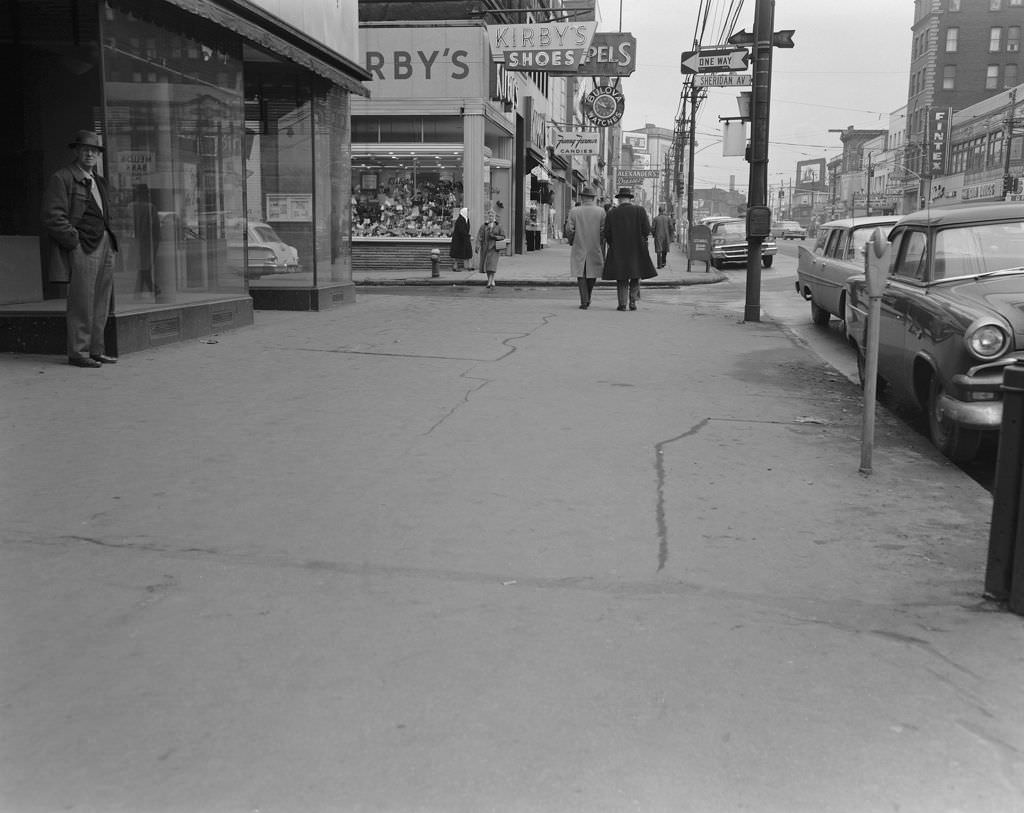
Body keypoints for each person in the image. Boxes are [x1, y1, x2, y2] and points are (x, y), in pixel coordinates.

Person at [42, 130, 120, 367]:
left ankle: (96, 350)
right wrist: (74, 241)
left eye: (94, 151)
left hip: (104, 242)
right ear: (76, 151)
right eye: (85, 150)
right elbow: (53, 216)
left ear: (98, 155)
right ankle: (79, 352)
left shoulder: (98, 180)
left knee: (101, 300)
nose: (90, 154)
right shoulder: (63, 177)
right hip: (83, 245)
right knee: (82, 300)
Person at [602, 186, 657, 311]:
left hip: (618, 249)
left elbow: (607, 233)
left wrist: (613, 243)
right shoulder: (640, 211)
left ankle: (622, 304)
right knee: (635, 275)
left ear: (620, 199)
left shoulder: (612, 213)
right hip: (636, 249)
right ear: (630, 199)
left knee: (621, 277)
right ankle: (633, 302)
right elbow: (647, 230)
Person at [564, 186, 605, 309]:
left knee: (581, 274)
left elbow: (569, 229)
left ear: (582, 197)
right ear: (593, 198)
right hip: (595, 245)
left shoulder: (574, 211)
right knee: (593, 273)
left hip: (579, 244)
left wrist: (572, 240)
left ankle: (584, 300)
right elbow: (604, 229)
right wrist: (600, 241)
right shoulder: (601, 211)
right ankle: (587, 298)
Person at [131, 184, 160, 296]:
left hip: (135, 241)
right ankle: (151, 288)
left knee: (143, 266)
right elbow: (155, 226)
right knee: (145, 266)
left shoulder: (130, 206)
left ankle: (141, 291)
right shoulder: (150, 207)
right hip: (147, 241)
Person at [476, 209, 505, 289]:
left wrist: (495, 236)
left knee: (492, 265)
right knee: (487, 266)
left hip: (494, 248)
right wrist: (477, 245)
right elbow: (480, 236)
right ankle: (490, 279)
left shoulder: (498, 226)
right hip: (485, 248)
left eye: (492, 216)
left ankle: (489, 282)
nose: (490, 217)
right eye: (489, 216)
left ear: (494, 216)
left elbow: (503, 236)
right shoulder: (484, 225)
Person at [449, 207, 472, 272]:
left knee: (468, 252)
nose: (468, 213)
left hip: (464, 238)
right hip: (459, 240)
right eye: (467, 212)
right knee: (457, 254)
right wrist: (466, 235)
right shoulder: (460, 220)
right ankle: (455, 267)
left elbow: (467, 229)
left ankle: (469, 266)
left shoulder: (466, 219)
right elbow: (461, 230)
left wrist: (467, 236)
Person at [652, 205, 673, 269]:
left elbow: (653, 228)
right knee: (665, 249)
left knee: (659, 250)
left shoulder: (655, 218)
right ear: (664, 211)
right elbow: (671, 227)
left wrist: (653, 235)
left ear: (659, 211)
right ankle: (663, 262)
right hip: (666, 236)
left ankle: (659, 265)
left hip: (658, 236)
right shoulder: (668, 218)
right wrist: (670, 236)